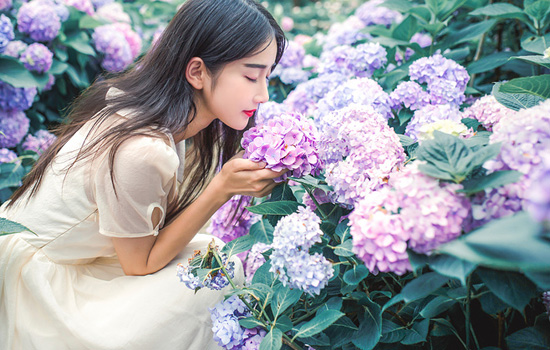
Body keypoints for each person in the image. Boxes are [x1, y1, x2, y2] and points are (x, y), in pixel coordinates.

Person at [0, 0, 287, 348]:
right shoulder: (142, 149)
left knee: (208, 255)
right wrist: (220, 188)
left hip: (74, 259)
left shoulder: (150, 114)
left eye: (267, 76)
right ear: (196, 72)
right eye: (250, 75)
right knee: (209, 276)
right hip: (38, 285)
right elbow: (140, 264)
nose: (263, 94)